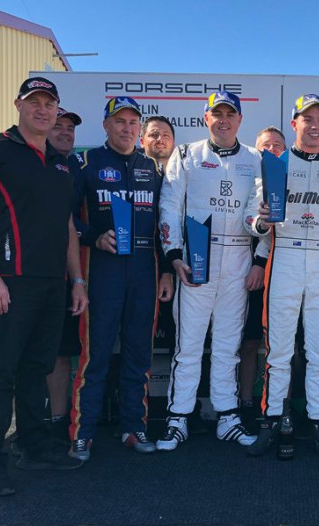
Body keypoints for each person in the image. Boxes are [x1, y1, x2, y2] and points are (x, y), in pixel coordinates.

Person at [0, 76, 87, 496]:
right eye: (35, 102)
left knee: (38, 368)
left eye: (49, 103)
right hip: (10, 282)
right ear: (19, 105)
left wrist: (77, 280)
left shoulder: (61, 162)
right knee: (1, 373)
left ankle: (34, 448)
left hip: (52, 283)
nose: (42, 109)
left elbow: (67, 227)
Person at [245, 94, 319, 458]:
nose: (314, 126)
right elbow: (251, 219)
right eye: (307, 119)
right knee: (278, 352)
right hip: (283, 259)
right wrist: (261, 220)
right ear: (294, 123)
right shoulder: (274, 164)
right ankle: (270, 422)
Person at [69, 96, 174, 460]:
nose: (126, 128)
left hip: (145, 270)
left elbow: (166, 223)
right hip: (103, 270)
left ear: (139, 129)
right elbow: (67, 219)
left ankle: (134, 426)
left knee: (138, 354)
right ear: (105, 125)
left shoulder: (153, 168)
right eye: (119, 121)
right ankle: (82, 433)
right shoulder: (86, 163)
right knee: (95, 355)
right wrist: (93, 237)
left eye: (132, 122)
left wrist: (166, 271)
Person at [156, 91, 261, 450]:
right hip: (196, 260)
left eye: (230, 114)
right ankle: (177, 418)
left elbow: (262, 211)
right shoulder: (187, 154)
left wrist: (260, 260)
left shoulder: (255, 158)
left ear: (240, 119)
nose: (224, 120)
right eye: (217, 114)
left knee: (228, 345)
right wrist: (174, 255)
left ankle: (227, 416)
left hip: (239, 260)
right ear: (206, 118)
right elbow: (170, 206)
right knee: (188, 345)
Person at [239, 127, 287, 429]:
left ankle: (286, 407)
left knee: (285, 345)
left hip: (282, 271)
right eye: (265, 145)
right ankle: (245, 403)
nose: (271, 150)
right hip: (246, 269)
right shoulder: (245, 176)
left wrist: (261, 261)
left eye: (277, 145)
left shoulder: (290, 176)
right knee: (249, 340)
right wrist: (256, 263)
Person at [45, 107, 83, 441]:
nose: (65, 133)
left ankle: (58, 421)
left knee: (62, 351)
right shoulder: (24, 161)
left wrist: (79, 280)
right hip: (28, 276)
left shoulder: (75, 168)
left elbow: (77, 224)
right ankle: (30, 427)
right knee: (29, 354)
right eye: (59, 126)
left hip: (71, 277)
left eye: (70, 128)